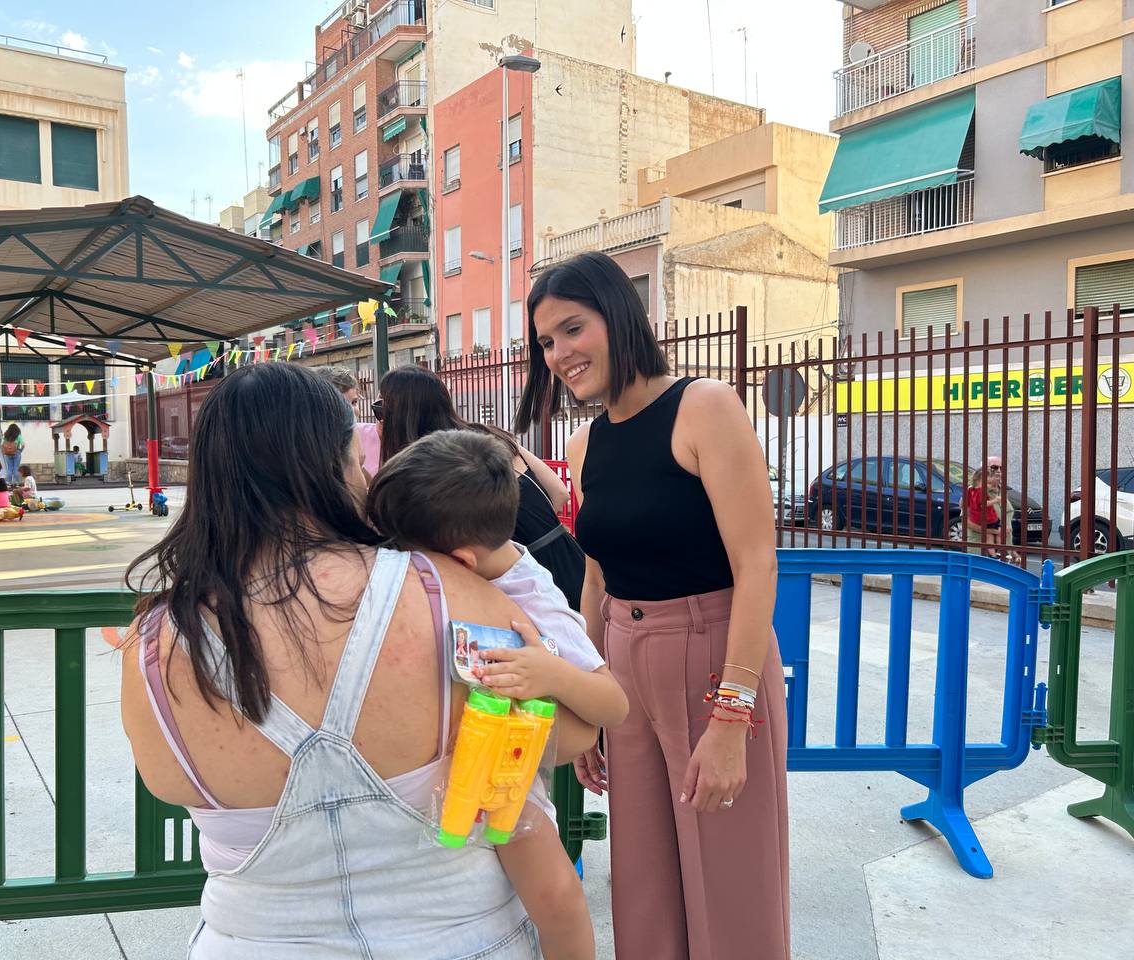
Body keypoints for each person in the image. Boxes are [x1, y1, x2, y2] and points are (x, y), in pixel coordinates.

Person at [119, 362, 598, 958]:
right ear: (333, 465)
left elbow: (167, 780)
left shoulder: (156, 642)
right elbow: (573, 733)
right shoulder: (443, 587)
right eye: (357, 456)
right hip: (463, 937)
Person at [514, 251, 790, 960]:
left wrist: (734, 714)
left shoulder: (704, 407)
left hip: (713, 653)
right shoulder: (585, 442)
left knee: (731, 882)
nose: (560, 355)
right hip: (625, 666)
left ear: (619, 315)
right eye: (546, 343)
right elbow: (597, 581)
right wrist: (590, 697)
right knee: (641, 885)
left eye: (572, 330)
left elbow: (756, 563)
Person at [368, 428, 629, 960]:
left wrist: (549, 673)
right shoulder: (466, 568)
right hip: (454, 768)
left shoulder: (534, 601)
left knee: (555, 897)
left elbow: (612, 704)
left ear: (460, 562)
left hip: (508, 776)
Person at [377, 366, 584, 609]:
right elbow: (559, 492)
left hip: (515, 585)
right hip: (570, 559)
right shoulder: (489, 436)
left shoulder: (429, 472)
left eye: (380, 409)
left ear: (400, 416)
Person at [312, 365, 382, 478]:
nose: (351, 410)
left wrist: (359, 464)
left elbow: (367, 487)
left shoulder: (357, 435)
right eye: (342, 404)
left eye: (354, 402)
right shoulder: (317, 447)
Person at [963, 457, 1016, 561]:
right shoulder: (973, 491)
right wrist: (996, 532)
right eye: (994, 468)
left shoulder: (1002, 491)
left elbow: (1007, 524)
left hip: (1004, 554)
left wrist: (1013, 552)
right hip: (980, 553)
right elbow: (966, 522)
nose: (999, 471)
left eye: (1002, 468)